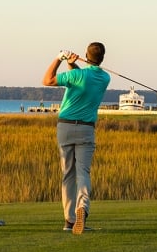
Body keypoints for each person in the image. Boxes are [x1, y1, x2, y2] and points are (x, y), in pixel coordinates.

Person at [42, 42, 110, 234]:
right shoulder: (105, 78)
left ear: (86, 56)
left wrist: (59, 58)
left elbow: (47, 80)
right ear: (102, 58)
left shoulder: (76, 75)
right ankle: (82, 209)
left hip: (65, 126)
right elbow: (84, 80)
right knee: (83, 173)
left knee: (68, 174)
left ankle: (70, 220)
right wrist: (72, 64)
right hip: (86, 129)